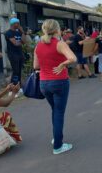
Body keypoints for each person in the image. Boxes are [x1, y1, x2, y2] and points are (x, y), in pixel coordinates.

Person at [34, 19, 77, 155]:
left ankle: (56, 138)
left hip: (44, 83)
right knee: (58, 113)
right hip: (59, 82)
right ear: (57, 30)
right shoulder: (60, 44)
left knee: (55, 111)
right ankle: (58, 146)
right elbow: (73, 58)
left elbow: (36, 66)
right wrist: (63, 64)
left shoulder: (38, 46)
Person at [5, 18, 26, 92]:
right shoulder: (8, 33)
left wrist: (23, 32)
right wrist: (21, 42)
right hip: (13, 54)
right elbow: (16, 44)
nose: (18, 25)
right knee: (15, 70)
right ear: (13, 24)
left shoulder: (19, 32)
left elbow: (24, 41)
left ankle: (18, 86)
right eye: (17, 23)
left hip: (19, 53)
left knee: (19, 70)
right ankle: (13, 86)